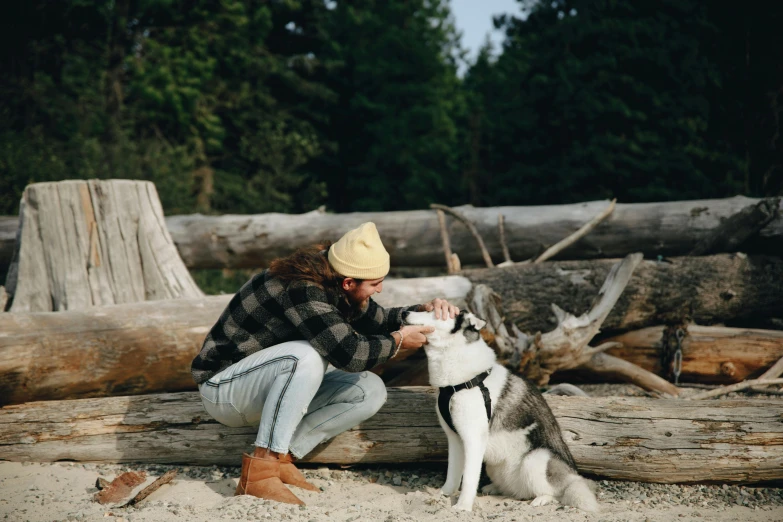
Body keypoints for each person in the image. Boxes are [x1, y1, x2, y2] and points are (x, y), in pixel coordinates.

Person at [191, 222, 459, 505]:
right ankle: (260, 470)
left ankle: (283, 457)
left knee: (369, 389)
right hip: (224, 390)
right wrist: (399, 341)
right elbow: (349, 354)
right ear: (348, 283)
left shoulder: (334, 277)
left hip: (259, 385)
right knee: (304, 356)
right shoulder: (301, 288)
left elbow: (377, 320)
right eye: (375, 283)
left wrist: (423, 313)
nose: (379, 290)